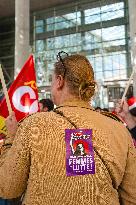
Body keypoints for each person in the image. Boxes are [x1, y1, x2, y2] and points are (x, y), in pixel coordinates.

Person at [0, 52, 136, 205]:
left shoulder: (33, 125)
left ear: (59, 81)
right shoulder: (120, 130)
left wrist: (11, 138)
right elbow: (132, 197)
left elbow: (7, 187)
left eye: (51, 82)